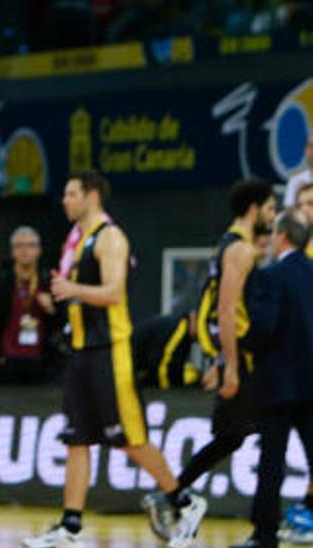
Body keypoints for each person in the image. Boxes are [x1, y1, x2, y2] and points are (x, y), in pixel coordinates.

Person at [23, 170, 206, 547]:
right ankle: (70, 526)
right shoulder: (76, 241)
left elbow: (113, 292)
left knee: (130, 439)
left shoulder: (110, 237)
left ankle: (184, 501)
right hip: (81, 351)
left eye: (71, 193)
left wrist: (72, 288)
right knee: (76, 439)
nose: (64, 200)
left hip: (111, 350)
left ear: (91, 196)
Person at [150, 179, 278, 539]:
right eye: (269, 208)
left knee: (231, 438)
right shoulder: (241, 251)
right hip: (245, 362)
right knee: (271, 434)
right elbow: (225, 311)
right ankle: (263, 528)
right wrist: (230, 366)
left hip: (238, 357)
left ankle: (171, 494)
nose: (272, 215)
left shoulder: (227, 243)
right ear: (253, 209)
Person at [233, 211, 313, 548]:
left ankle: (265, 535)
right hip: (312, 384)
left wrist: (240, 346)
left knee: (271, 464)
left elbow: (264, 326)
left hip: (278, 385)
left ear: (281, 237)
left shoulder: (271, 276)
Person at [0, 226, 59, 384]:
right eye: (19, 246)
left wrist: (50, 309)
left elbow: (61, 323)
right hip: (7, 363)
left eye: (30, 245)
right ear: (12, 251)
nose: (25, 250)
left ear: (39, 250)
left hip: (40, 363)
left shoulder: (49, 282)